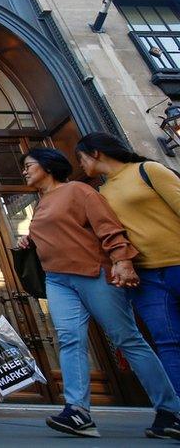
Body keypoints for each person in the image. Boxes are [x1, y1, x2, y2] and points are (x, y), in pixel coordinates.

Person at [18, 147, 180, 439]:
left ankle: (171, 411)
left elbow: (108, 228)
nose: (25, 170)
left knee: (126, 338)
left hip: (93, 273)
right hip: (57, 280)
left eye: (29, 165)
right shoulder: (41, 202)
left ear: (49, 166)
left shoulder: (79, 191)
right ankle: (78, 412)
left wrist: (122, 259)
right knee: (68, 339)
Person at [75, 132, 180, 394]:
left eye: (81, 158)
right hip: (146, 277)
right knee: (167, 342)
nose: (81, 165)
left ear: (95, 152)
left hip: (177, 262)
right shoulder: (101, 193)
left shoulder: (148, 170)